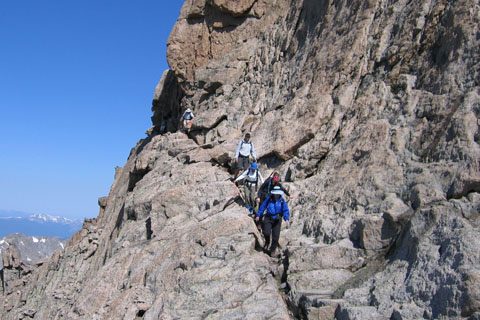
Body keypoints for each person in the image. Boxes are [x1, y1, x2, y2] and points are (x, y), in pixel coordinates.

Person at [256, 186, 290, 257]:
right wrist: (258, 215)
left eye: (278, 193)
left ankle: (272, 250)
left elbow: (285, 210)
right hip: (268, 217)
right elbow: (263, 206)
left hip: (277, 219)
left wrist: (286, 219)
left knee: (276, 236)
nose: (277, 195)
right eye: (275, 193)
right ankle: (267, 242)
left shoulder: (282, 201)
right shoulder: (269, 199)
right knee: (266, 232)